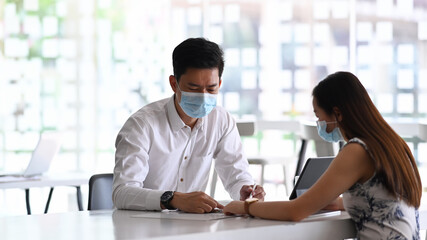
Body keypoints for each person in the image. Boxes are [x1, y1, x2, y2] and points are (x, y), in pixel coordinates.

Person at [223, 71, 422, 239]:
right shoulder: (393, 144)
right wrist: (329, 202)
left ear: (338, 113)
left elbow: (295, 211)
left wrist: (246, 207)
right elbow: (379, 201)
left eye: (319, 117)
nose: (319, 123)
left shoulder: (356, 150)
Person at [113, 37, 265, 213]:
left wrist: (245, 191)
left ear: (220, 84)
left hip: (193, 225)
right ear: (173, 84)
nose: (203, 96)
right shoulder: (141, 125)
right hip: (141, 226)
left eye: (211, 88)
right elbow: (122, 193)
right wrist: (172, 199)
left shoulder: (221, 120)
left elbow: (236, 174)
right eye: (193, 88)